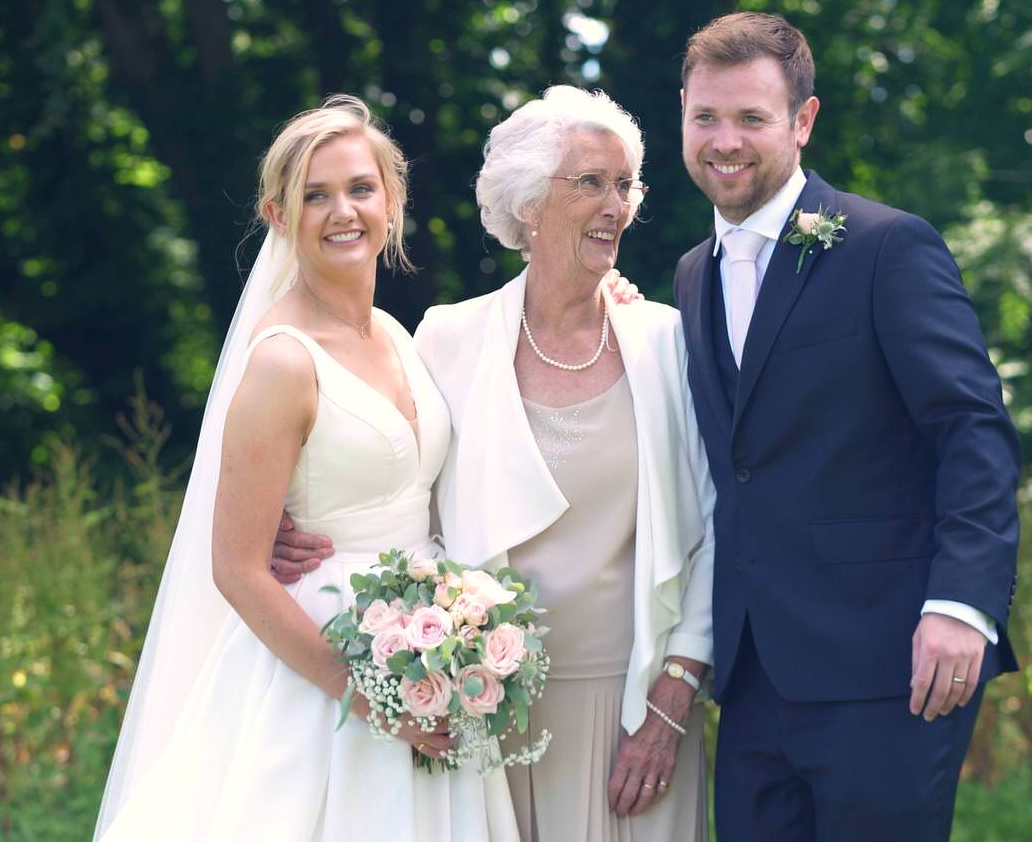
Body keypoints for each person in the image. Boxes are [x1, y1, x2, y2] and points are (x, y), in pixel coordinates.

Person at [275, 86, 717, 841]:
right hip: (476, 706)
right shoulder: (447, 338)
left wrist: (674, 700)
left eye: (624, 185)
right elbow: (385, 470)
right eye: (589, 183)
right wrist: (294, 522)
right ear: (527, 207)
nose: (616, 205)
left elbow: (713, 528)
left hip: (634, 719)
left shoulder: (665, 340)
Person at [93, 96, 518, 841]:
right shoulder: (284, 360)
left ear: (392, 200)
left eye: (360, 188)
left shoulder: (393, 333)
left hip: (428, 645)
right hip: (325, 673)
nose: (342, 211)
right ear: (279, 215)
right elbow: (236, 567)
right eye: (314, 196)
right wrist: (371, 698)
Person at [671, 12, 1022, 841]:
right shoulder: (689, 275)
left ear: (802, 121)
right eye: (705, 117)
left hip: (890, 663)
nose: (725, 140)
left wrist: (964, 604)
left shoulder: (886, 246)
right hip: (754, 674)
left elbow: (973, 430)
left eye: (752, 118)